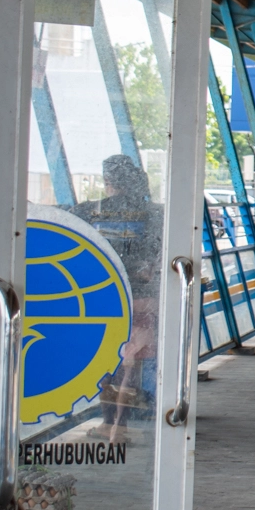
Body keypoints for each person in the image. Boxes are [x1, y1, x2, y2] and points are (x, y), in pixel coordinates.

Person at [75, 155, 163, 445]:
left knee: (107, 362)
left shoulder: (90, 211)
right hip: (144, 300)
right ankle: (121, 425)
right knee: (131, 363)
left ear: (108, 181)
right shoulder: (155, 213)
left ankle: (110, 423)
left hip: (106, 300)